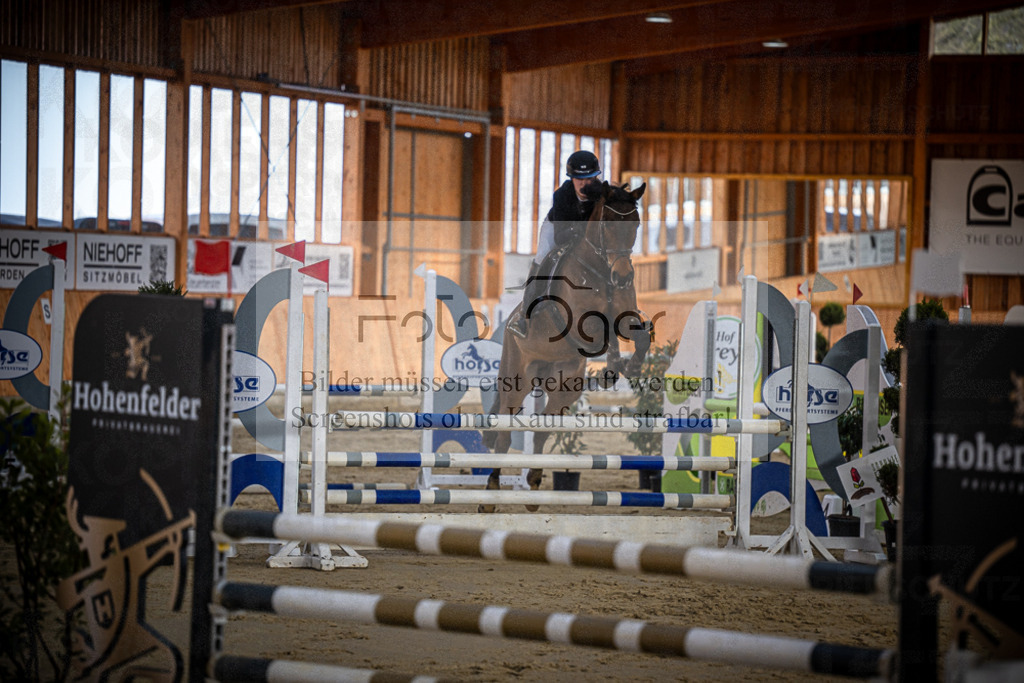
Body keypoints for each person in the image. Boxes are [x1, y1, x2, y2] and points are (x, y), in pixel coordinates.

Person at [510, 150, 603, 337]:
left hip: (586, 237)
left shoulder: (601, 193)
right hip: (557, 229)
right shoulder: (562, 195)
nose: (584, 185)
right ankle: (524, 316)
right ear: (572, 179)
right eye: (579, 180)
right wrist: (580, 230)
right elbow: (560, 237)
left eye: (589, 179)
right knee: (542, 257)